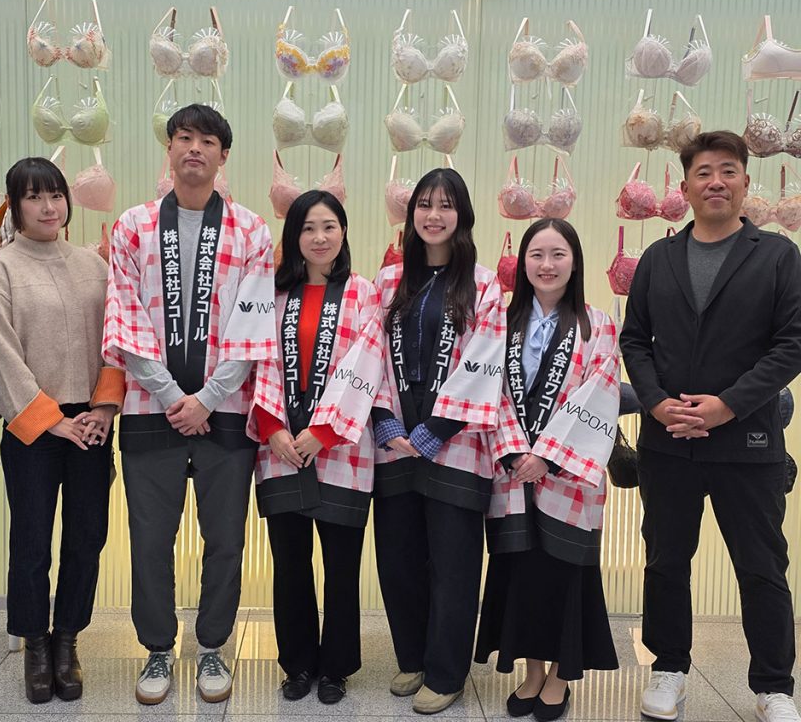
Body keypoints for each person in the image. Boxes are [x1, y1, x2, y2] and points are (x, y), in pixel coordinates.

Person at [621, 130, 801, 722]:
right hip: (668, 442)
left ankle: (774, 685)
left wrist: (728, 405)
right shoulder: (659, 257)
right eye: (703, 172)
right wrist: (654, 403)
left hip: (748, 442)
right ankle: (669, 669)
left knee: (762, 566)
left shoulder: (777, 256)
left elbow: (792, 343)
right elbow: (634, 339)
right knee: (665, 561)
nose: (716, 181)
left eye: (727, 170)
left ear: (746, 182)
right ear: (686, 186)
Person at [102, 104, 275, 705]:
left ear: (223, 155)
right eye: (184, 137)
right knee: (150, 539)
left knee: (225, 538)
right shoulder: (133, 226)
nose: (194, 148)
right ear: (169, 149)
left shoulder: (252, 231)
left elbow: (254, 325)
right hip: (152, 409)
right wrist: (176, 396)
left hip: (226, 412)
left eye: (207, 140)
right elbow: (125, 319)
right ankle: (156, 648)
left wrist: (209, 397)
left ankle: (212, 646)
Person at [325, 167, 505, 714]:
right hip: (394, 442)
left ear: (462, 215)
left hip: (457, 447)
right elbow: (367, 356)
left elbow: (486, 362)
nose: (434, 215)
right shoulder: (387, 282)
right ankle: (413, 658)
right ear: (411, 215)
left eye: (446, 205)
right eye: (424, 204)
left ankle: (446, 672)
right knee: (398, 559)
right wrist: (385, 420)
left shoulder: (485, 285)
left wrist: (435, 431)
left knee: (453, 565)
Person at [0, 158, 124, 704]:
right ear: (14, 207)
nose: (48, 207)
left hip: (91, 421)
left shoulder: (94, 265)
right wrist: (51, 420)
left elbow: (116, 340)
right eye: (34, 197)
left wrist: (105, 408)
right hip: (33, 424)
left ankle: (68, 640)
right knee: (32, 538)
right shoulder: (1, 268)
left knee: (87, 535)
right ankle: (35, 643)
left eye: (56, 195)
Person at [474, 218, 620, 721]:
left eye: (558, 254)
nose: (547, 265)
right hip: (513, 472)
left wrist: (548, 456)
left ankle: (559, 675)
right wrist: (517, 452)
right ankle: (532, 671)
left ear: (574, 262)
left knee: (563, 573)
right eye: (536, 254)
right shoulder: (500, 321)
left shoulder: (597, 324)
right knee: (522, 573)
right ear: (522, 263)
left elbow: (599, 394)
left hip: (568, 476)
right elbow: (488, 389)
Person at [247, 190, 379, 705]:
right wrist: (273, 426)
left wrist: (322, 432)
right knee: (290, 563)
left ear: (343, 232)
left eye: (329, 226)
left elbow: (369, 366)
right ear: (293, 236)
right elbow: (259, 362)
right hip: (279, 448)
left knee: (342, 566)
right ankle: (298, 664)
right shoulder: (273, 295)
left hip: (342, 450)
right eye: (307, 228)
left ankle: (336, 668)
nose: (319, 237)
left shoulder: (364, 293)